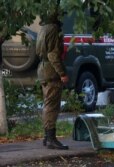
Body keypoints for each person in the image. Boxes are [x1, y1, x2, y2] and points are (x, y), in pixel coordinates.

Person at [36, 12, 69, 150]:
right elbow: (53, 54)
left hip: (43, 69)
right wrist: (62, 73)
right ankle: (50, 138)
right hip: (51, 71)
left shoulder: (43, 28)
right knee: (52, 106)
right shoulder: (54, 30)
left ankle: (47, 137)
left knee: (48, 103)